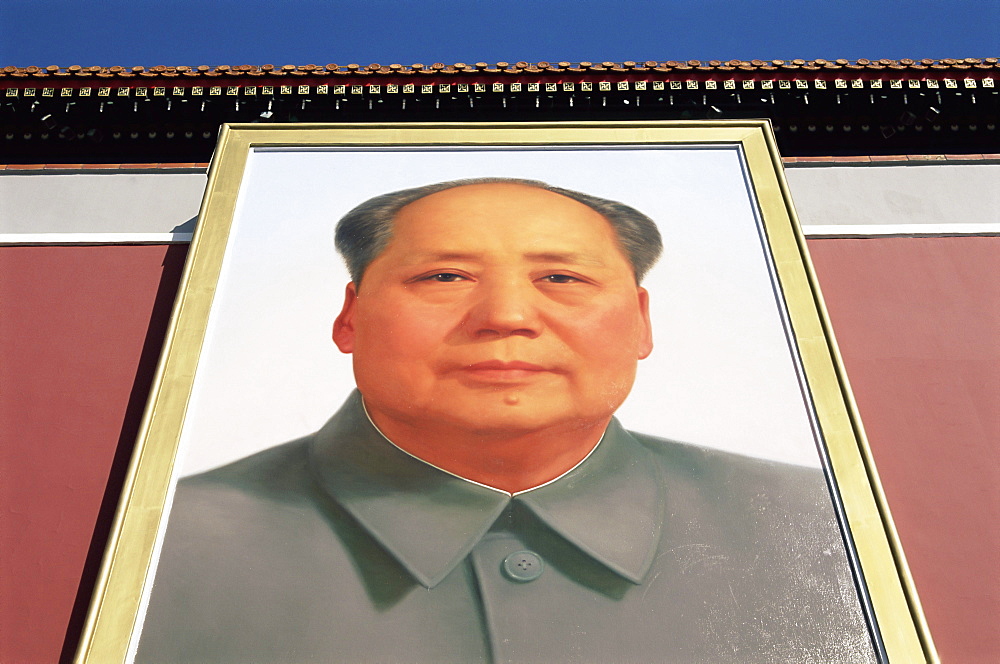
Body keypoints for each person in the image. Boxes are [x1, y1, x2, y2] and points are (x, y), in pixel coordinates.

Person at [137, 178, 877, 663]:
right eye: (444, 277)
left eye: (561, 278)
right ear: (351, 315)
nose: (508, 318)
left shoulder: (819, 527)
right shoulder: (166, 549)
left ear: (642, 322)